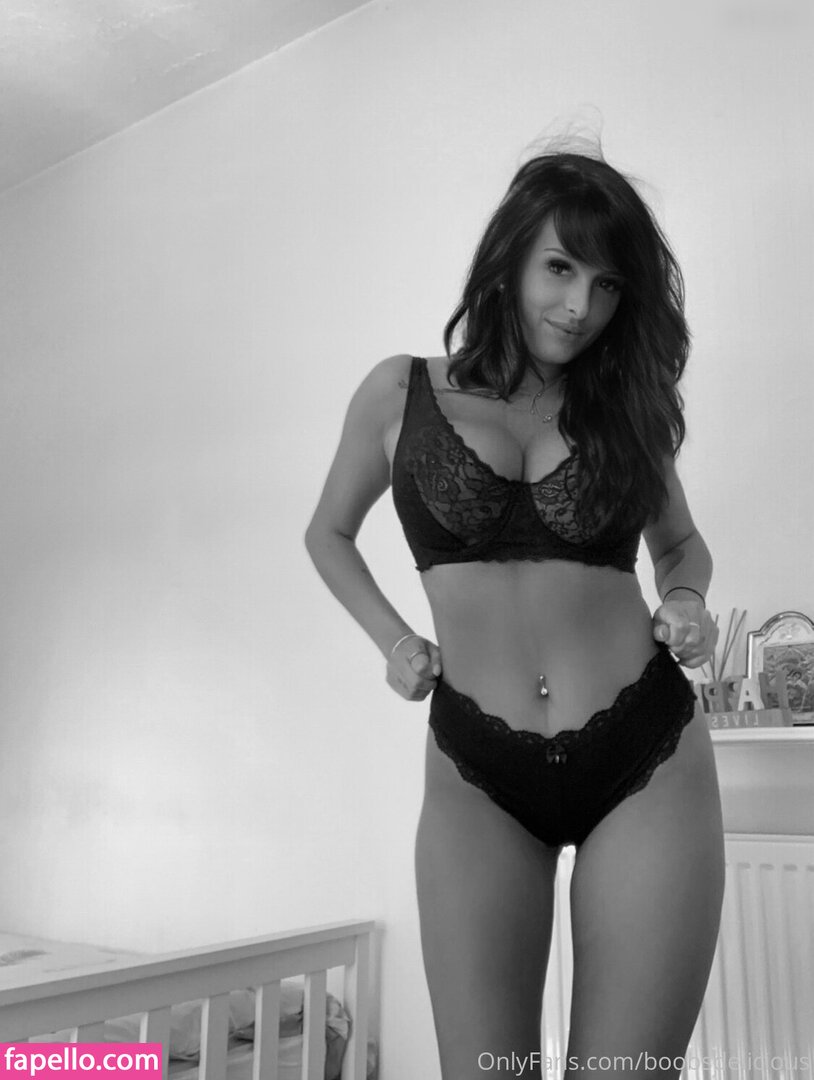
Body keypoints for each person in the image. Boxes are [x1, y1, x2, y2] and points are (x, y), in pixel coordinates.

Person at [305, 145, 725, 1079]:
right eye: (561, 268)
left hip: (645, 758)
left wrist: (686, 599)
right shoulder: (399, 391)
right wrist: (394, 640)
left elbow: (681, 546)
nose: (581, 307)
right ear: (510, 256)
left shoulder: (626, 407)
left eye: (608, 285)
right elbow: (327, 533)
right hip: (477, 775)